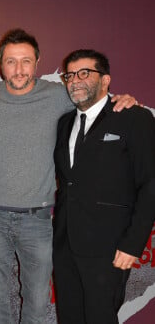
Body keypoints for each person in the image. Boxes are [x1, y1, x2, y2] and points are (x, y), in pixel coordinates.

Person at [0, 28, 137, 323]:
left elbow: (95, 99)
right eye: (11, 61)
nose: (19, 69)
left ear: (37, 63)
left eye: (26, 61)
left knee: (36, 298)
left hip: (38, 220)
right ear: (1, 64)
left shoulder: (59, 95)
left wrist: (122, 99)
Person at [53, 49, 155, 324]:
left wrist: (133, 244)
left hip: (109, 246)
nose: (75, 80)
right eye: (70, 75)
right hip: (65, 243)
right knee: (69, 317)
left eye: (85, 73)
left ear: (106, 80)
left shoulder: (135, 118)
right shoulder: (64, 123)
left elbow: (150, 184)